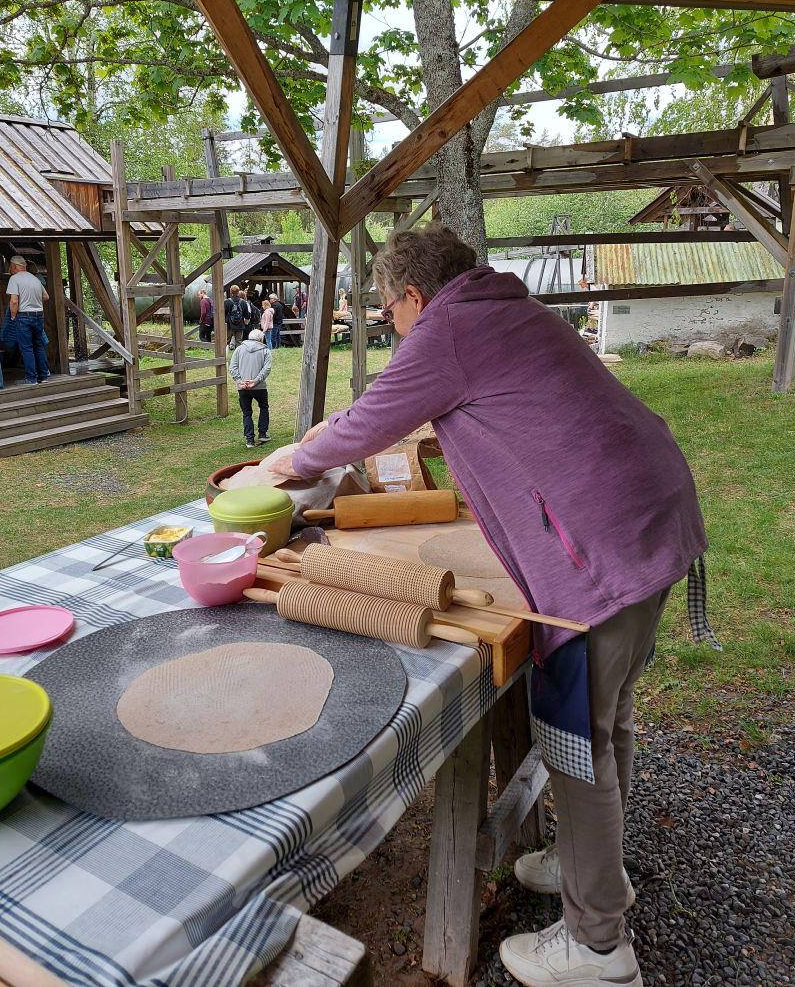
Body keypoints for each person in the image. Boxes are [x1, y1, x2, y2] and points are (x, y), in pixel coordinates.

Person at [269, 222, 717, 987]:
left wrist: (289, 461)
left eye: (388, 310)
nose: (391, 325)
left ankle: (599, 949)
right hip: (653, 514)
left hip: (601, 547)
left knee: (578, 744)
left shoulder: (446, 329)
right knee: (607, 722)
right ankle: (589, 870)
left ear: (410, 295)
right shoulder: (511, 308)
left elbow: (368, 422)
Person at [6, 255, 49, 385]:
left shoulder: (14, 279)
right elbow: (46, 296)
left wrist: (13, 316)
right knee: (39, 346)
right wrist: (33, 301)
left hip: (24, 316)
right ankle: (43, 376)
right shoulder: (35, 279)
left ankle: (31, 378)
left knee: (26, 348)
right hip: (39, 315)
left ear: (13, 266)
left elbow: (14, 301)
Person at [229, 328, 271, 448]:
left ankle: (249, 440)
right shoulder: (265, 351)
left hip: (242, 387)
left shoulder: (239, 349)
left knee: (246, 413)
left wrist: (239, 381)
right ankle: (262, 433)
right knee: (263, 407)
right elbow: (266, 369)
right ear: (261, 338)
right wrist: (256, 381)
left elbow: (232, 367)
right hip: (260, 387)